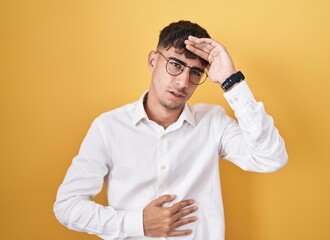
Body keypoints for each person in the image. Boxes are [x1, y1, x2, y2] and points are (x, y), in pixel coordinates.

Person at [54, 20, 288, 239]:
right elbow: (67, 206)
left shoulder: (213, 122)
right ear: (153, 61)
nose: (183, 82)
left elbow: (271, 159)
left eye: (195, 72)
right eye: (175, 65)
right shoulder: (108, 128)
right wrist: (138, 223)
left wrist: (231, 80)